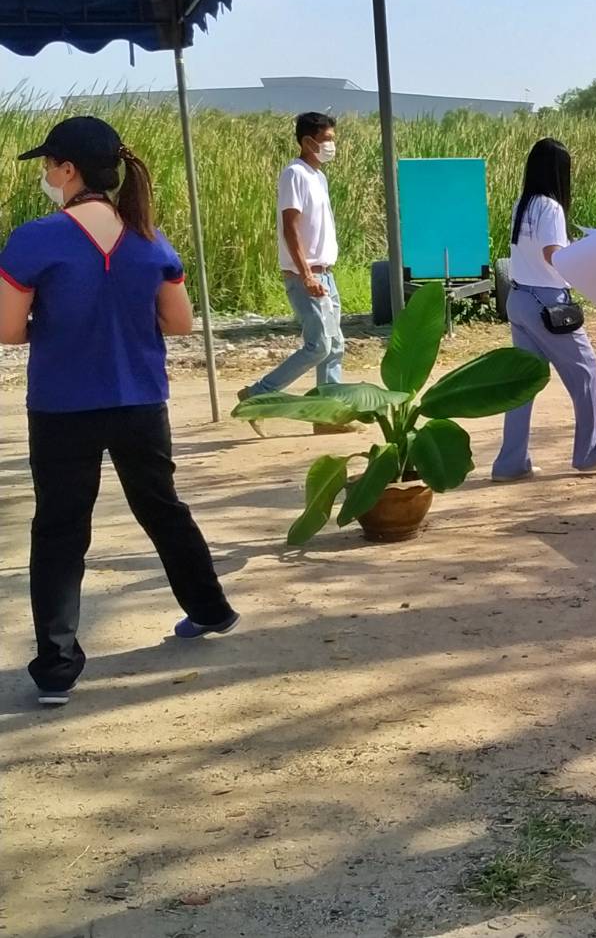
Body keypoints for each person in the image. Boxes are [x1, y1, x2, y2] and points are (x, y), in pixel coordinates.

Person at [0, 117, 240, 708]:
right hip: (140, 400)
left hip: (62, 406)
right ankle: (210, 609)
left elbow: (7, 329)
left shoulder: (34, 240)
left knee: (59, 529)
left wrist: (52, 324)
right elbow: (180, 323)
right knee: (160, 506)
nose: (45, 176)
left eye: (48, 166)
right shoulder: (150, 240)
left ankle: (57, 668)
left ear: (68, 170)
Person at [491, 138, 596, 481]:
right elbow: (554, 253)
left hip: (519, 298)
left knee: (525, 380)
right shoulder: (551, 207)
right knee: (586, 370)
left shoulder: (522, 203)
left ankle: (511, 462)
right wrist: (590, 254)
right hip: (548, 302)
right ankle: (590, 453)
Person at [238, 111, 350, 433]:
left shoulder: (319, 176)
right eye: (327, 140)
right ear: (307, 141)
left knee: (334, 345)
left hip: (325, 272)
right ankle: (257, 394)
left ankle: (327, 416)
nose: (331, 146)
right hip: (308, 275)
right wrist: (307, 274)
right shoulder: (295, 174)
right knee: (319, 346)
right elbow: (291, 227)